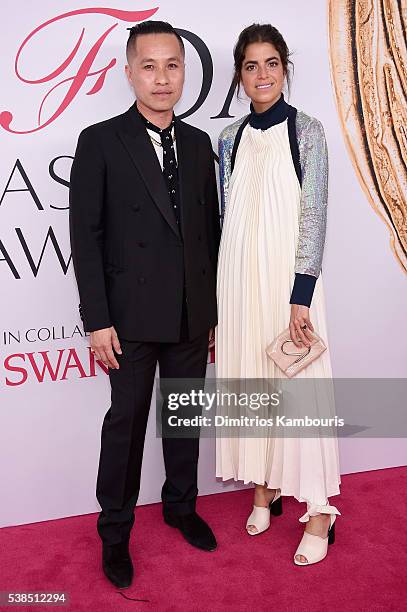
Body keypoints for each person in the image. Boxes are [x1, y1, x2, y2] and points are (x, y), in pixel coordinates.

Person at [69, 20, 220, 589]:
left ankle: (182, 506)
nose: (162, 78)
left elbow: (208, 232)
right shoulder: (101, 140)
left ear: (185, 72)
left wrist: (209, 314)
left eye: (172, 66)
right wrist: (97, 319)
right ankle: (115, 532)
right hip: (128, 318)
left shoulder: (201, 143)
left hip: (188, 314)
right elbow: (87, 236)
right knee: (126, 426)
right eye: (150, 66)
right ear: (128, 72)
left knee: (184, 419)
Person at [216, 23, 341, 566]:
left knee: (300, 394)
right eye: (251, 65)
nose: (262, 74)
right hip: (239, 281)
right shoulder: (229, 139)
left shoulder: (307, 130)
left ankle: (318, 511)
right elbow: (228, 218)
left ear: (285, 67)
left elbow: (314, 215)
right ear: (240, 75)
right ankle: (264, 486)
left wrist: (302, 293)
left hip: (290, 284)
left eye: (271, 62)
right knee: (252, 383)